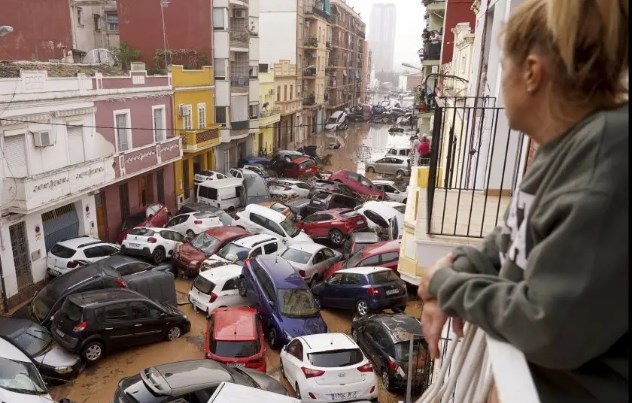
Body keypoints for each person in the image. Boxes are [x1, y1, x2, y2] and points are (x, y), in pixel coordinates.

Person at [417, 0, 628, 402]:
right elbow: (510, 237)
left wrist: (447, 284)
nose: (499, 80)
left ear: (531, 72)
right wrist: (457, 267)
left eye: (503, 65)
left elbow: (549, 326)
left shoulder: (606, 159)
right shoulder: (561, 147)